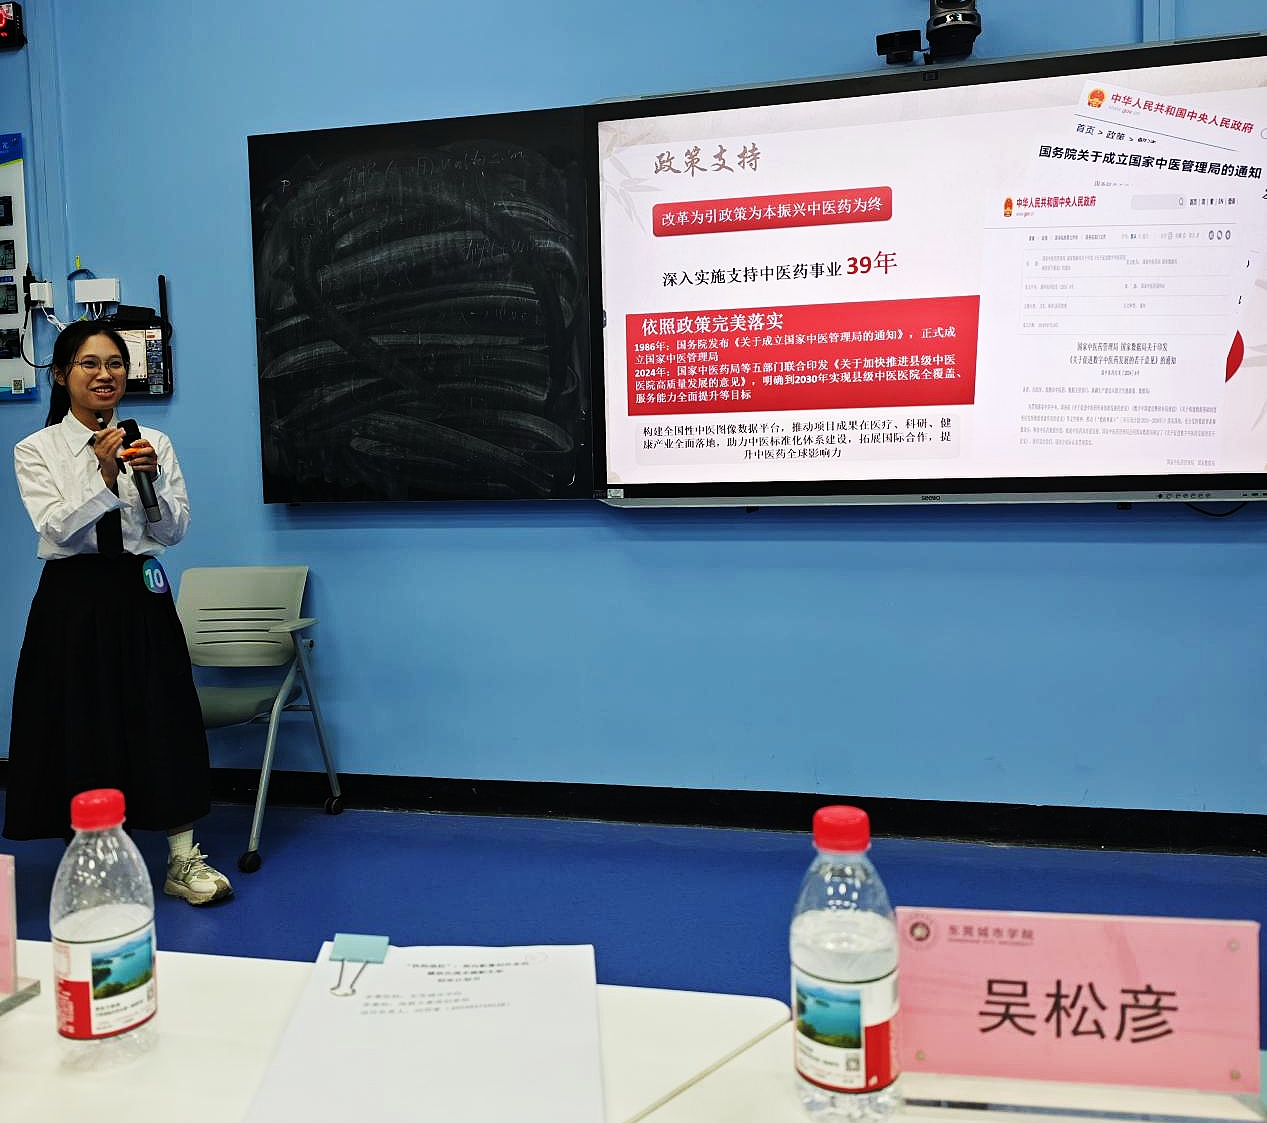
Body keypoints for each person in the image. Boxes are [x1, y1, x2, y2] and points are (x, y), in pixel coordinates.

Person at [3, 321, 233, 906]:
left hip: (141, 590)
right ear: (62, 375)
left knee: (164, 715)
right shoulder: (37, 449)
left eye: (115, 364)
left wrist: (147, 481)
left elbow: (172, 532)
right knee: (81, 722)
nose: (105, 375)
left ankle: (182, 858)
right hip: (73, 597)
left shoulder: (153, 440)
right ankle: (95, 867)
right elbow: (56, 527)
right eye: (90, 364)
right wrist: (105, 479)